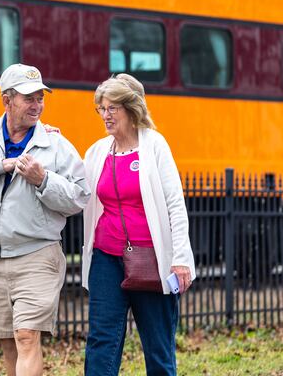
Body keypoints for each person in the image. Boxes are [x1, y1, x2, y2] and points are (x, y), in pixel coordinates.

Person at [0, 63, 90, 376]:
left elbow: (80, 197)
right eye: (28, 98)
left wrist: (43, 180)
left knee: (27, 336)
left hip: (36, 255)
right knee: (8, 341)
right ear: (6, 100)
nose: (37, 104)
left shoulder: (56, 145)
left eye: (40, 98)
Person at [81, 74, 196, 375]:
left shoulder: (155, 146)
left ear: (131, 110)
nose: (105, 115)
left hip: (151, 259)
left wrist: (180, 259)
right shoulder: (97, 152)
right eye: (101, 109)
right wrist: (49, 141)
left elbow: (175, 206)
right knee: (101, 340)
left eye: (112, 108)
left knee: (158, 345)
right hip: (106, 258)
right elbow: (75, 188)